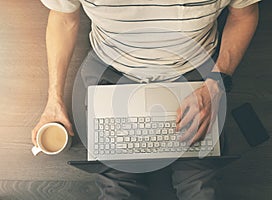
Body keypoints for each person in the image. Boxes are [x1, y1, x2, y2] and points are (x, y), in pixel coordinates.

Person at [32, 0, 260, 199]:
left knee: (200, 186)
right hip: (112, 70)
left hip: (193, 72)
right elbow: (63, 18)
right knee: (117, 188)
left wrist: (215, 84)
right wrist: (54, 99)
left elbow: (244, 14)